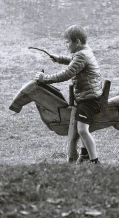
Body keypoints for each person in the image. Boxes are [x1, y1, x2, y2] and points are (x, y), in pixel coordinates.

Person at [35, 25, 103, 164]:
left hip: (89, 99)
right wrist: (59, 59)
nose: (65, 45)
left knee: (82, 130)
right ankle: (84, 155)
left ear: (77, 42)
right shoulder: (84, 51)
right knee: (81, 128)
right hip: (88, 96)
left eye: (67, 42)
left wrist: (45, 79)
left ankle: (95, 161)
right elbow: (74, 62)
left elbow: (67, 73)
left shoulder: (81, 55)